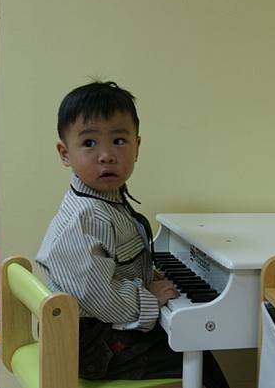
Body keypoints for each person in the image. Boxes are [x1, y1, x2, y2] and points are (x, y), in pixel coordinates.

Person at [36, 81, 230, 388]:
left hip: (103, 328)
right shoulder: (85, 218)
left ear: (137, 147)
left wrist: (145, 276)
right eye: (89, 143)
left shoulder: (106, 200)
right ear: (65, 153)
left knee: (192, 343)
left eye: (119, 141)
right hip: (92, 344)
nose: (106, 155)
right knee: (198, 355)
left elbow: (113, 265)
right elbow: (99, 297)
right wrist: (149, 298)